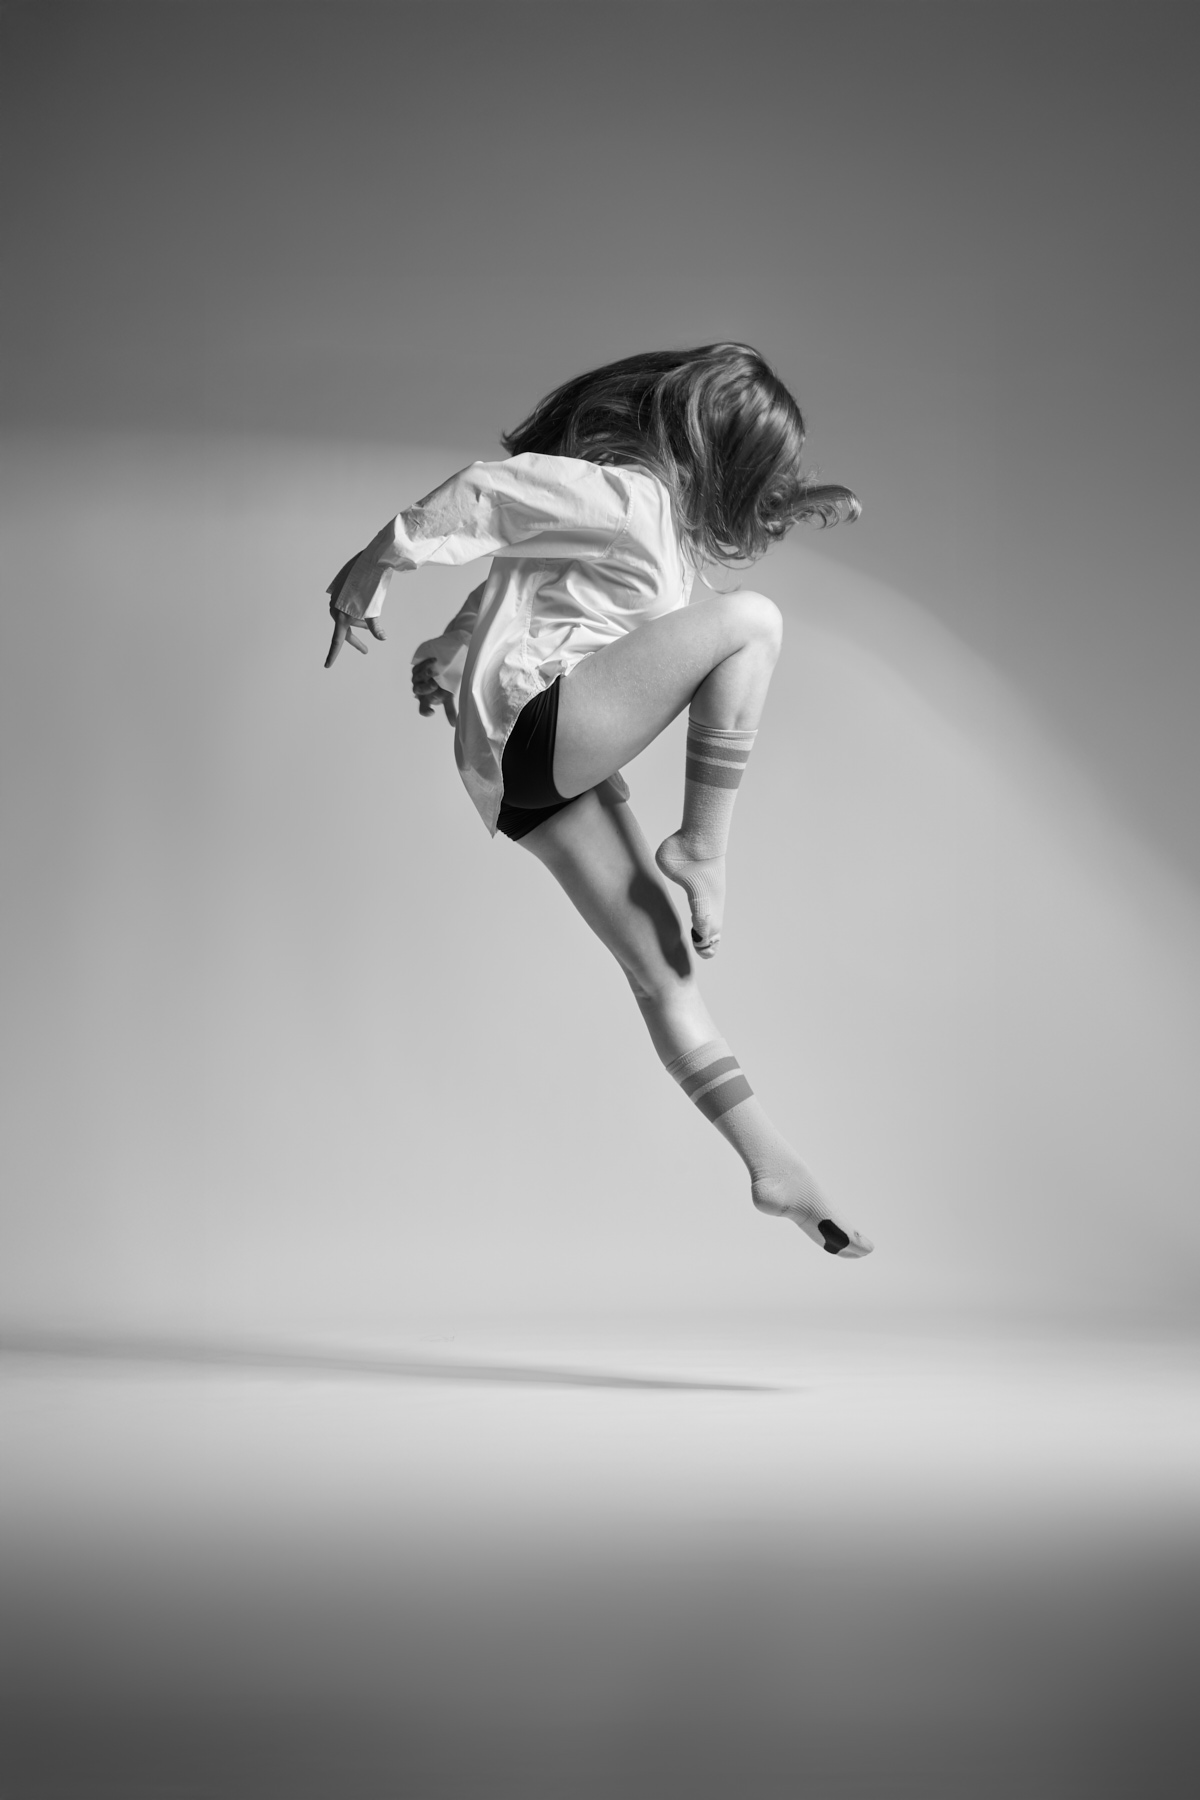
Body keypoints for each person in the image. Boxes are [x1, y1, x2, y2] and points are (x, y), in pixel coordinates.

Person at [324, 344, 873, 1259]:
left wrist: (449, 654)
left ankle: (773, 1170)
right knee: (753, 622)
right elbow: (487, 493)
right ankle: (702, 847)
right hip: (538, 737)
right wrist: (376, 562)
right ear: (718, 453)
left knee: (665, 969)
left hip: (526, 778)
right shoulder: (626, 497)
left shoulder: (651, 524)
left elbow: (521, 582)